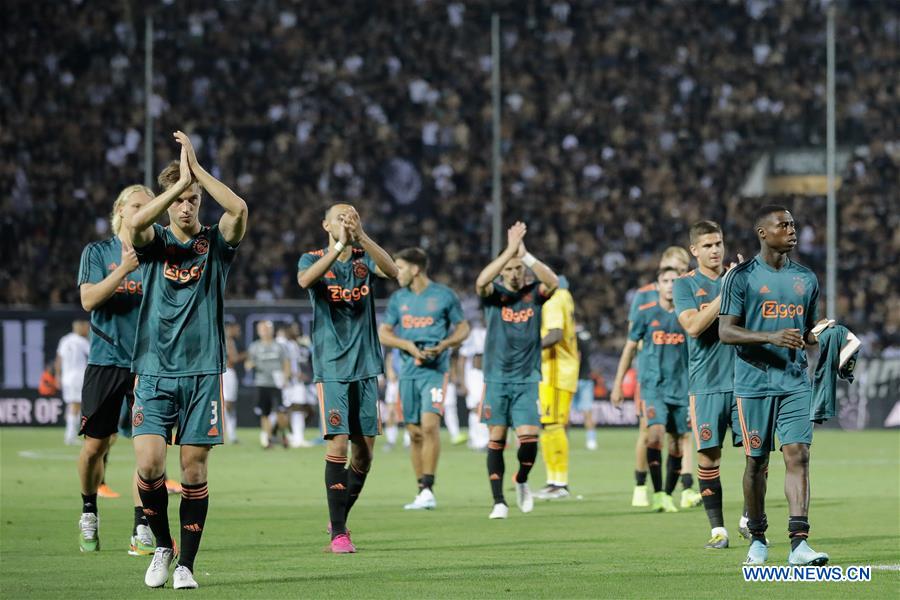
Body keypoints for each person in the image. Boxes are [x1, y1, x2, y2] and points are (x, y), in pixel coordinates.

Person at [129, 131, 248, 589]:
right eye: (180, 200)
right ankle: (163, 545)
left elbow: (238, 210)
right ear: (168, 201)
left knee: (193, 470)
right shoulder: (154, 241)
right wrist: (178, 184)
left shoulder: (215, 244)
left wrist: (196, 172)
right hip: (154, 369)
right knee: (149, 465)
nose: (186, 206)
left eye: (193, 199)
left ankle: (186, 565)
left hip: (202, 372)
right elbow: (135, 222)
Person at [719, 205, 830, 567]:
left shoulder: (806, 278)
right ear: (763, 233)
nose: (791, 230)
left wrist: (829, 334)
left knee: (798, 454)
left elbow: (808, 331)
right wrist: (771, 336)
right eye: (783, 225)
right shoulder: (741, 277)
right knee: (756, 462)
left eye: (793, 224)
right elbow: (726, 331)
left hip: (795, 380)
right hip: (753, 384)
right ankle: (757, 537)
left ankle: (799, 544)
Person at [297, 203, 398, 553]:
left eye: (352, 217)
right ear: (326, 225)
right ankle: (339, 533)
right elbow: (305, 281)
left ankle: (339, 516)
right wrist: (339, 245)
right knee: (337, 444)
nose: (347, 221)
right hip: (332, 367)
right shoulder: (312, 259)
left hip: (366, 365)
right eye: (340, 217)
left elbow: (393, 271)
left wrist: (362, 237)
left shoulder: (363, 257)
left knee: (364, 455)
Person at [75, 185, 154, 555]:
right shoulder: (98, 252)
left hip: (147, 364)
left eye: (149, 207)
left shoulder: (157, 255)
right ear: (120, 210)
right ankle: (89, 511)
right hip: (105, 361)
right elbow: (88, 299)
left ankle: (142, 525)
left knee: (147, 450)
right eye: (137, 205)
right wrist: (123, 269)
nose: (143, 211)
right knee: (95, 447)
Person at [475, 222, 559, 519]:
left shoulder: (534, 293)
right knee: (497, 439)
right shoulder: (493, 294)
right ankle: (499, 501)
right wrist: (509, 251)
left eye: (517, 268)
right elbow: (481, 281)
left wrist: (525, 256)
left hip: (527, 379)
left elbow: (554, 282)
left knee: (529, 440)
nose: (513, 273)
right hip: (496, 378)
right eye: (508, 269)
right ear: (502, 272)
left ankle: (521, 479)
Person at [379, 247, 470, 511]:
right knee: (414, 432)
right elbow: (384, 333)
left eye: (400, 268)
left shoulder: (444, 295)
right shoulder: (399, 299)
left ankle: (429, 486)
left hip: (435, 371)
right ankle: (421, 489)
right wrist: (406, 345)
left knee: (430, 426)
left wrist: (445, 345)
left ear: (415, 269)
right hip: (408, 373)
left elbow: (463, 327)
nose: (396, 273)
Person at [673, 220, 744, 548]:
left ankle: (750, 519)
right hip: (706, 385)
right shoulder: (685, 285)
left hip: (744, 383)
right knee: (708, 458)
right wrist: (726, 290)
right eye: (708, 245)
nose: (715, 250)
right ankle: (719, 531)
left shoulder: (739, 279)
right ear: (694, 250)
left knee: (757, 454)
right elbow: (693, 326)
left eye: (718, 244)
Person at [614, 247, 699, 508]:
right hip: (652, 378)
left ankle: (682, 488)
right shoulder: (644, 300)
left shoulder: (689, 300)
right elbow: (633, 340)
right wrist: (653, 352)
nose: (674, 281)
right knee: (651, 431)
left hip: (680, 382)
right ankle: (642, 485)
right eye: (669, 276)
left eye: (682, 270)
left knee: (681, 437)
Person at [535, 276, 579, 500]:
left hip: (555, 371)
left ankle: (559, 483)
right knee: (548, 425)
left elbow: (555, 333)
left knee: (553, 425)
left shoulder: (553, 300)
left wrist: (529, 347)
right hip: (562, 370)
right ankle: (553, 481)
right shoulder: (565, 295)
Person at [245, 320, 291, 449]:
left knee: (281, 412)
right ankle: (268, 439)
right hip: (261, 383)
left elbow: (286, 363)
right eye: (262, 329)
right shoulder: (255, 346)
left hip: (276, 384)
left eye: (267, 329)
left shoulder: (279, 346)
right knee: (264, 413)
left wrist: (286, 378)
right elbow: (248, 363)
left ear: (272, 330)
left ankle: (283, 433)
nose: (265, 332)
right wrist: (249, 365)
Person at [278, 323, 315, 448]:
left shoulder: (297, 344)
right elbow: (283, 362)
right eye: (294, 329)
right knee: (286, 410)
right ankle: (282, 435)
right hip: (288, 381)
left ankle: (297, 437)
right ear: (287, 331)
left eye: (297, 329)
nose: (297, 331)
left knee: (299, 408)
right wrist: (291, 374)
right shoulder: (284, 344)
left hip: (297, 382)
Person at [458, 317, 489, 450]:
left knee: (485, 407)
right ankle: (480, 440)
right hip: (474, 374)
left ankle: (480, 439)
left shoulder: (494, 333)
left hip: (488, 374)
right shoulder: (473, 334)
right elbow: (462, 359)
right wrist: (462, 381)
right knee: (476, 407)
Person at [57, 320, 90, 445]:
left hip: (66, 377)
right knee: (76, 405)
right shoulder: (82, 342)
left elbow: (59, 359)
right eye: (86, 327)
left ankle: (70, 433)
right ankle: (70, 436)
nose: (88, 330)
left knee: (72, 405)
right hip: (78, 377)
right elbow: (92, 357)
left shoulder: (64, 340)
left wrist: (58, 375)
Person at [573, 324, 598, 451]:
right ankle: (591, 440)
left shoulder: (572, 335)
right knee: (587, 411)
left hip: (571, 379)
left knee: (564, 414)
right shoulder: (586, 335)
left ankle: (564, 440)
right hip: (586, 377)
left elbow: (577, 356)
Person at [223, 322, 245, 445]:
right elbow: (233, 359)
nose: (238, 331)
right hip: (227, 373)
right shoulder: (228, 341)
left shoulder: (222, 340)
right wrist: (247, 354)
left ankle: (229, 433)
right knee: (228, 403)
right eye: (236, 329)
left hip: (225, 373)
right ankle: (229, 433)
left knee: (228, 404)